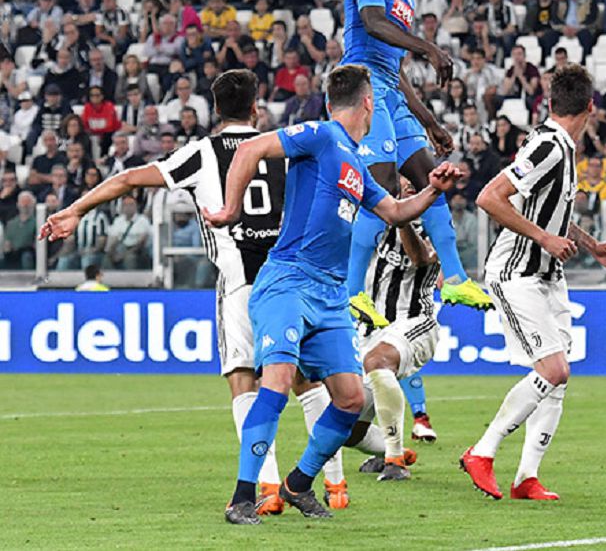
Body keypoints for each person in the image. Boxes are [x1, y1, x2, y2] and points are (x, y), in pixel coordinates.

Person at [40, 70, 348, 517]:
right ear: (256, 107)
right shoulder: (286, 145)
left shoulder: (203, 152)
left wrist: (75, 209)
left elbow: (129, 179)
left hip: (240, 283)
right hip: (292, 280)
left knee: (244, 378)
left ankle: (266, 485)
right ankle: (333, 483)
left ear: (215, 110)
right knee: (306, 381)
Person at [201, 64, 462, 524]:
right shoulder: (322, 135)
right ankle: (241, 497)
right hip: (289, 281)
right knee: (278, 381)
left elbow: (394, 211)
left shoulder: (356, 163)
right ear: (369, 103)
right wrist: (229, 209)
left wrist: (431, 191)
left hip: (330, 295)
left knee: (349, 398)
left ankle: (298, 484)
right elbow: (250, 148)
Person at [460, 65, 606, 501]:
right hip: (516, 271)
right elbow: (489, 197)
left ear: (550, 103)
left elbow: (549, 213)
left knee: (558, 377)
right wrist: (543, 238)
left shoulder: (561, 148)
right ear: (591, 107)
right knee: (553, 370)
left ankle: (526, 477)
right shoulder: (549, 146)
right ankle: (482, 452)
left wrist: (590, 245)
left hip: (548, 275)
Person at [339, 0, 492, 321]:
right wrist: (430, 48)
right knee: (383, 187)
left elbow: (396, 68)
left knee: (431, 179)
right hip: (363, 89)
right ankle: (352, 292)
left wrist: (430, 122)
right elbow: (373, 23)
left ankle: (454, 277)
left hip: (389, 92)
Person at [359, 185, 442, 480]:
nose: (408, 184)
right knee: (343, 422)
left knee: (378, 361)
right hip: (371, 327)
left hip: (414, 321)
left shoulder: (436, 220)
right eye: (403, 178)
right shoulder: (375, 217)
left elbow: (422, 258)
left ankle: (395, 461)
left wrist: (401, 218)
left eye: (414, 179)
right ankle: (388, 450)